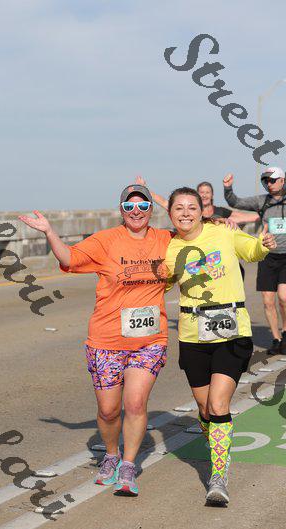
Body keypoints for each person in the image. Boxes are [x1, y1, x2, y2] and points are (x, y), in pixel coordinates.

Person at [19, 184, 172, 497]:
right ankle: (112, 454)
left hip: (149, 340)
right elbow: (70, 258)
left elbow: (194, 226)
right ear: (121, 210)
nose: (136, 212)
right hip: (106, 339)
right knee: (108, 411)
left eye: (143, 206)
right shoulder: (106, 241)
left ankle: (128, 465)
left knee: (135, 403)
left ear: (151, 210)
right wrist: (49, 232)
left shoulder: (166, 239)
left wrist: (221, 221)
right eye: (129, 207)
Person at [164, 187, 276, 504]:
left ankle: (218, 476)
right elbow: (162, 282)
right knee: (204, 410)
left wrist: (263, 244)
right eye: (179, 208)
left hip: (232, 332)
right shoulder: (170, 247)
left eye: (192, 207)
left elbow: (251, 250)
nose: (186, 213)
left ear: (202, 211)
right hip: (192, 335)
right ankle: (219, 446)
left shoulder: (224, 232)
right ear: (170, 214)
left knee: (217, 405)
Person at [223, 165, 286, 355]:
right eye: (266, 181)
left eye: (272, 180)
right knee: (267, 301)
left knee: (283, 297)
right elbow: (235, 202)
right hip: (268, 256)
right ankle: (276, 339)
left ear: (282, 181)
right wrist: (228, 187)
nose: (269, 184)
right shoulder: (262, 201)